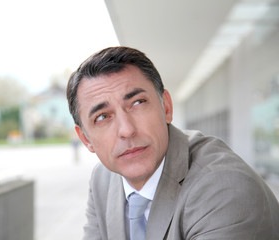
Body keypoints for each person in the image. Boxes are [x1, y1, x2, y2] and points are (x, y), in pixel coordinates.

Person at [66, 46, 279, 240]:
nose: (127, 130)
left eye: (137, 103)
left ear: (166, 107)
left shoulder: (224, 187)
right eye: (102, 117)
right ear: (86, 139)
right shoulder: (102, 179)